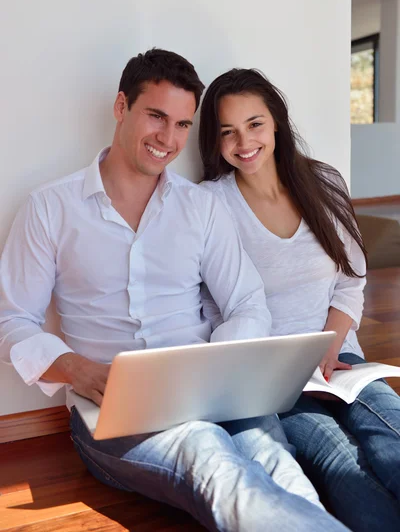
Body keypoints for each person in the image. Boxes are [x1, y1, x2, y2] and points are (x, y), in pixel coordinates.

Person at [0, 49, 350, 532]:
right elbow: (11, 321)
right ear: (122, 107)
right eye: (156, 117)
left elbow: (247, 302)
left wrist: (215, 366)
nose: (168, 139)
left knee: (280, 467)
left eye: (183, 125)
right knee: (213, 464)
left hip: (213, 393)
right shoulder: (49, 209)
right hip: (113, 416)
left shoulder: (200, 208)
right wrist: (75, 369)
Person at [198, 67, 400, 532]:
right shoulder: (210, 204)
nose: (243, 141)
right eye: (227, 131)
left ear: (276, 124)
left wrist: (329, 344)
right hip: (272, 375)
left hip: (339, 355)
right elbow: (210, 305)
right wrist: (277, 364)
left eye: (254, 124)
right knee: (338, 459)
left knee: (390, 432)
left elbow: (352, 280)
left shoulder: (324, 182)